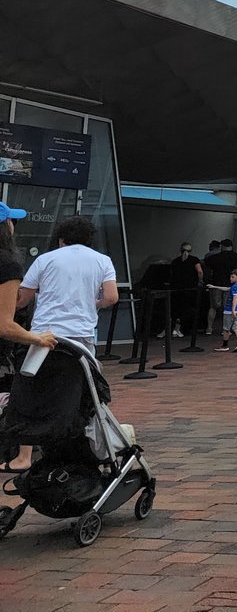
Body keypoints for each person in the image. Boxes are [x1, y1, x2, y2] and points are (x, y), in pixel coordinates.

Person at [2, 216, 120, 473]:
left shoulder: (46, 260)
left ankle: (24, 456)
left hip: (43, 336)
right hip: (82, 338)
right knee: (84, 393)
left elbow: (22, 299)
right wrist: (92, 304)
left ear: (61, 238)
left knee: (32, 393)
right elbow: (111, 297)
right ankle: (85, 451)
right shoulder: (102, 261)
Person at [0, 203, 57, 476]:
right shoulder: (7, 264)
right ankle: (23, 456)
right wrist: (37, 338)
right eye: (11, 221)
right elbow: (5, 325)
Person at [168, 241, 204, 337]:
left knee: (176, 309)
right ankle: (183, 328)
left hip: (177, 288)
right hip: (190, 288)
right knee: (188, 308)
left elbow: (171, 274)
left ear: (180, 250)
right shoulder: (194, 260)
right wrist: (200, 281)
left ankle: (174, 328)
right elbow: (199, 271)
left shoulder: (175, 261)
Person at [214, 267, 237, 352]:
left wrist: (232, 310)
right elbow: (227, 288)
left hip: (230, 311)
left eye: (233, 277)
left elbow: (235, 298)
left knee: (226, 329)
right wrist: (215, 287)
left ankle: (225, 345)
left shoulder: (235, 287)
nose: (230, 278)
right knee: (236, 328)